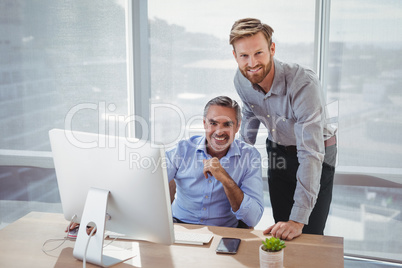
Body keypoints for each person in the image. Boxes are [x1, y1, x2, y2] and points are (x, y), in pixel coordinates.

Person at [229, 18, 337, 239]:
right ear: (235, 56)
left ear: (272, 49)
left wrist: (298, 220)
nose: (252, 63)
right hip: (278, 148)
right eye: (244, 56)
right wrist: (239, 157)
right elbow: (251, 112)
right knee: (281, 227)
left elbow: (310, 153)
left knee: (308, 232)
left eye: (258, 53)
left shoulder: (302, 83)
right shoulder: (241, 79)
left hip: (316, 152)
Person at [166, 96, 264, 228]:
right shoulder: (182, 150)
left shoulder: (250, 157)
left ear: (237, 126)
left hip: (224, 232)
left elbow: (253, 218)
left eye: (227, 124)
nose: (219, 131)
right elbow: (151, 185)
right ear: (204, 124)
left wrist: (225, 179)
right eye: (213, 123)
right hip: (180, 227)